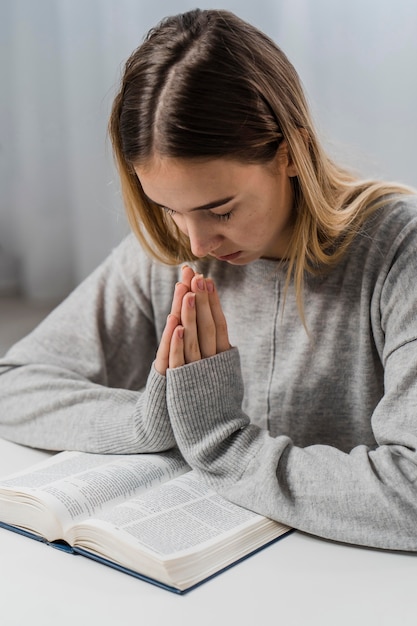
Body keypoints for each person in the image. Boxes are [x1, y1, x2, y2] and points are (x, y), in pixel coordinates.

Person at [1, 8, 417, 552]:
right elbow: (15, 385)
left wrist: (224, 443)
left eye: (220, 210)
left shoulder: (398, 253)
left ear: (289, 152)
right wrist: (156, 422)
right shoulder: (171, 254)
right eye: (170, 209)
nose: (196, 245)